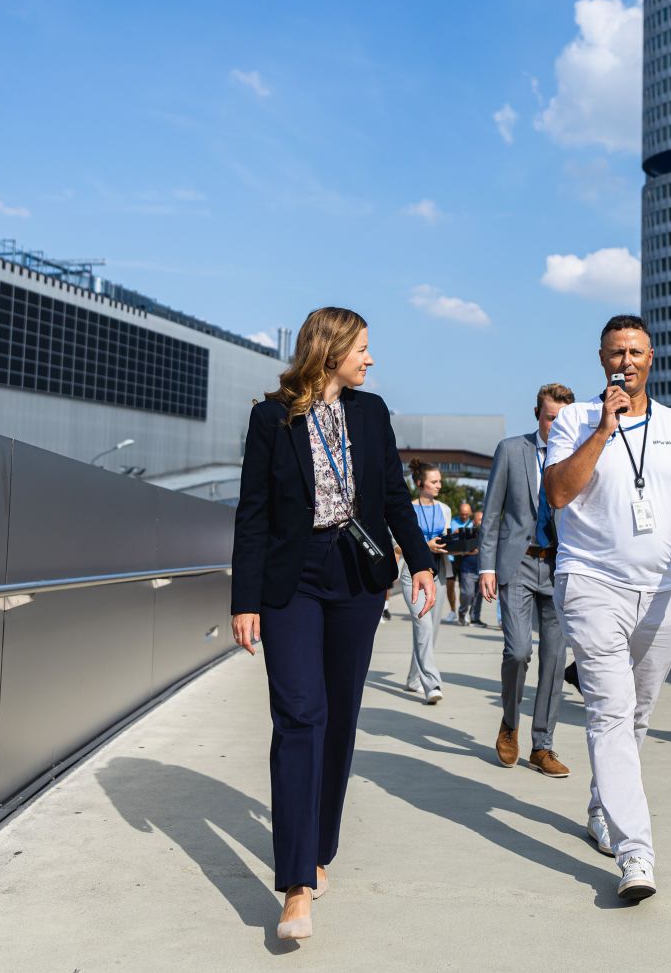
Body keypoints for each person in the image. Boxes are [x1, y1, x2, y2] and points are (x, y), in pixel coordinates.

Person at [231, 306, 437, 942]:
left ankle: (320, 849)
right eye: (363, 349)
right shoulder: (272, 418)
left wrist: (423, 564)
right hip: (292, 579)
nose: (370, 360)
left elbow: (396, 497)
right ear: (330, 349)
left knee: (340, 717)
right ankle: (296, 886)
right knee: (299, 716)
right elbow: (253, 514)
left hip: (357, 576)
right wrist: (244, 599)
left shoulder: (371, 414)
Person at [544, 315, 671, 902]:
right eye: (615, 352)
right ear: (601, 359)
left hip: (658, 590)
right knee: (609, 711)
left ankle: (604, 806)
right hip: (591, 583)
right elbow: (557, 493)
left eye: (636, 352)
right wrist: (602, 429)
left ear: (652, 358)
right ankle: (636, 853)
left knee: (639, 714)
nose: (626, 360)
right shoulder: (575, 420)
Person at [479, 384, 575, 779]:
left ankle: (543, 746)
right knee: (518, 651)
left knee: (554, 661)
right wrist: (486, 566)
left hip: (560, 568)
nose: (557, 426)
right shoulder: (511, 450)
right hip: (516, 564)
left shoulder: (577, 457)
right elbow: (493, 513)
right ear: (537, 413)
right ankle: (509, 723)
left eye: (564, 419)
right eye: (552, 418)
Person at [403, 461, 451, 702]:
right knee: (424, 625)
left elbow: (447, 539)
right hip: (412, 573)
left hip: (439, 570)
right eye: (434, 482)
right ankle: (432, 684)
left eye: (439, 481)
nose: (438, 485)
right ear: (420, 484)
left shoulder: (444, 509)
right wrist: (424, 546)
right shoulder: (406, 510)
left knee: (432, 629)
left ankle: (413, 678)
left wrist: (460, 548)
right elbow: (398, 547)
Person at [451, 501, 488, 628]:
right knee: (467, 594)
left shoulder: (488, 534)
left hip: (482, 570)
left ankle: (475, 618)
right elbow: (455, 550)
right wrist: (468, 551)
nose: (482, 521)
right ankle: (462, 613)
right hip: (467, 569)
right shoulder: (466, 532)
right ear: (474, 520)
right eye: (479, 519)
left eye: (483, 519)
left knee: (478, 596)